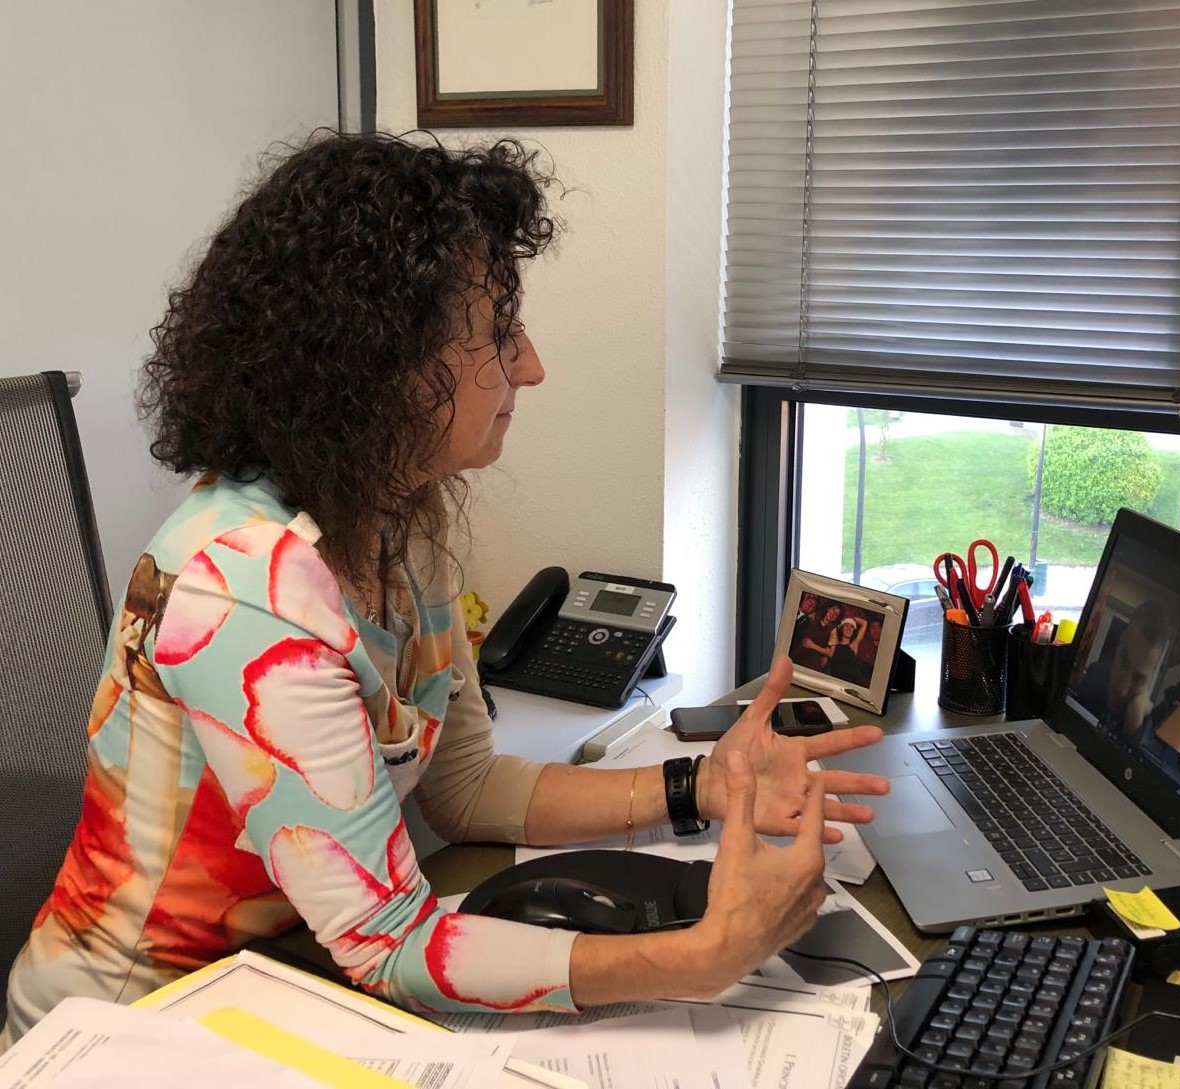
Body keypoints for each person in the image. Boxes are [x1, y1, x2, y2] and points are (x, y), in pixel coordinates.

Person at [0, 132, 889, 1048]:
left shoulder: (398, 518)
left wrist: (699, 783)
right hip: (129, 1031)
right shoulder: (249, 585)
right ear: (380, 362)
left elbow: (462, 788)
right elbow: (387, 943)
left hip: (276, 984)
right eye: (499, 333)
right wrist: (694, 956)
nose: (531, 366)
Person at [1073, 598, 1172, 738]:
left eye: (1138, 678)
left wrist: (1134, 727)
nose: (1122, 689)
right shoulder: (1095, 673)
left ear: (1154, 671)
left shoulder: (1148, 729)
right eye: (1123, 663)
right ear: (1120, 641)